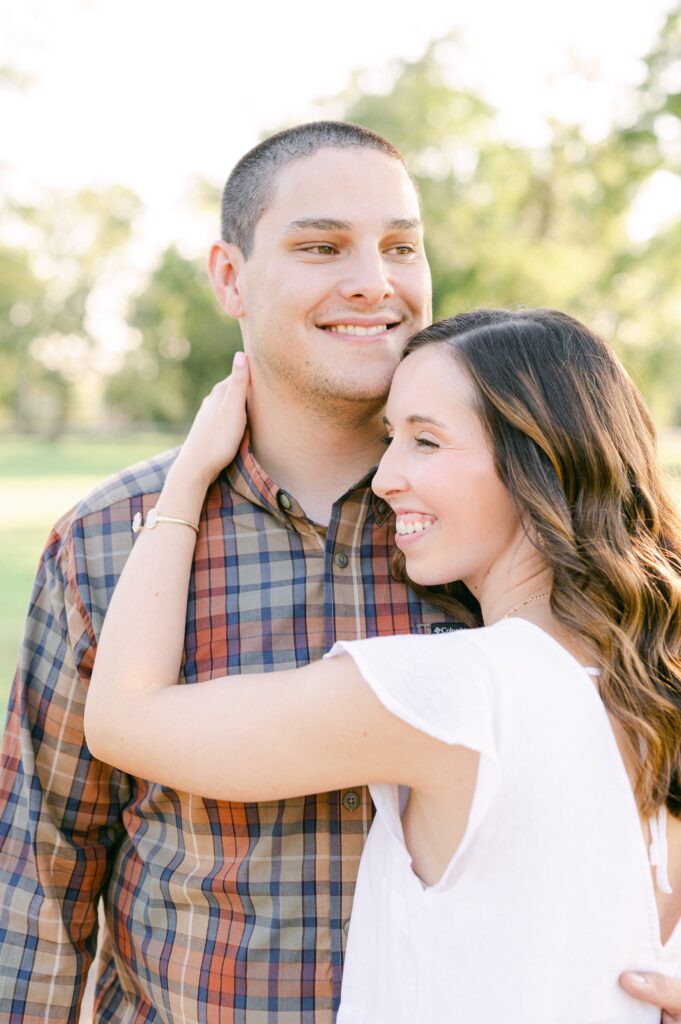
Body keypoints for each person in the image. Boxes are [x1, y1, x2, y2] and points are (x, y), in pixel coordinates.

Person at [0, 121, 678, 1022]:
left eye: (400, 246)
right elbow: (40, 867)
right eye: (321, 246)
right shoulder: (105, 542)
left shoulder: (494, 544)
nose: (372, 280)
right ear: (230, 277)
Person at [84, 307, 681, 1022]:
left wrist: (185, 481)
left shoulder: (453, 693)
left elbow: (122, 720)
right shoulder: (652, 680)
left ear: (539, 464)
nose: (385, 477)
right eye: (388, 438)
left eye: (425, 441)